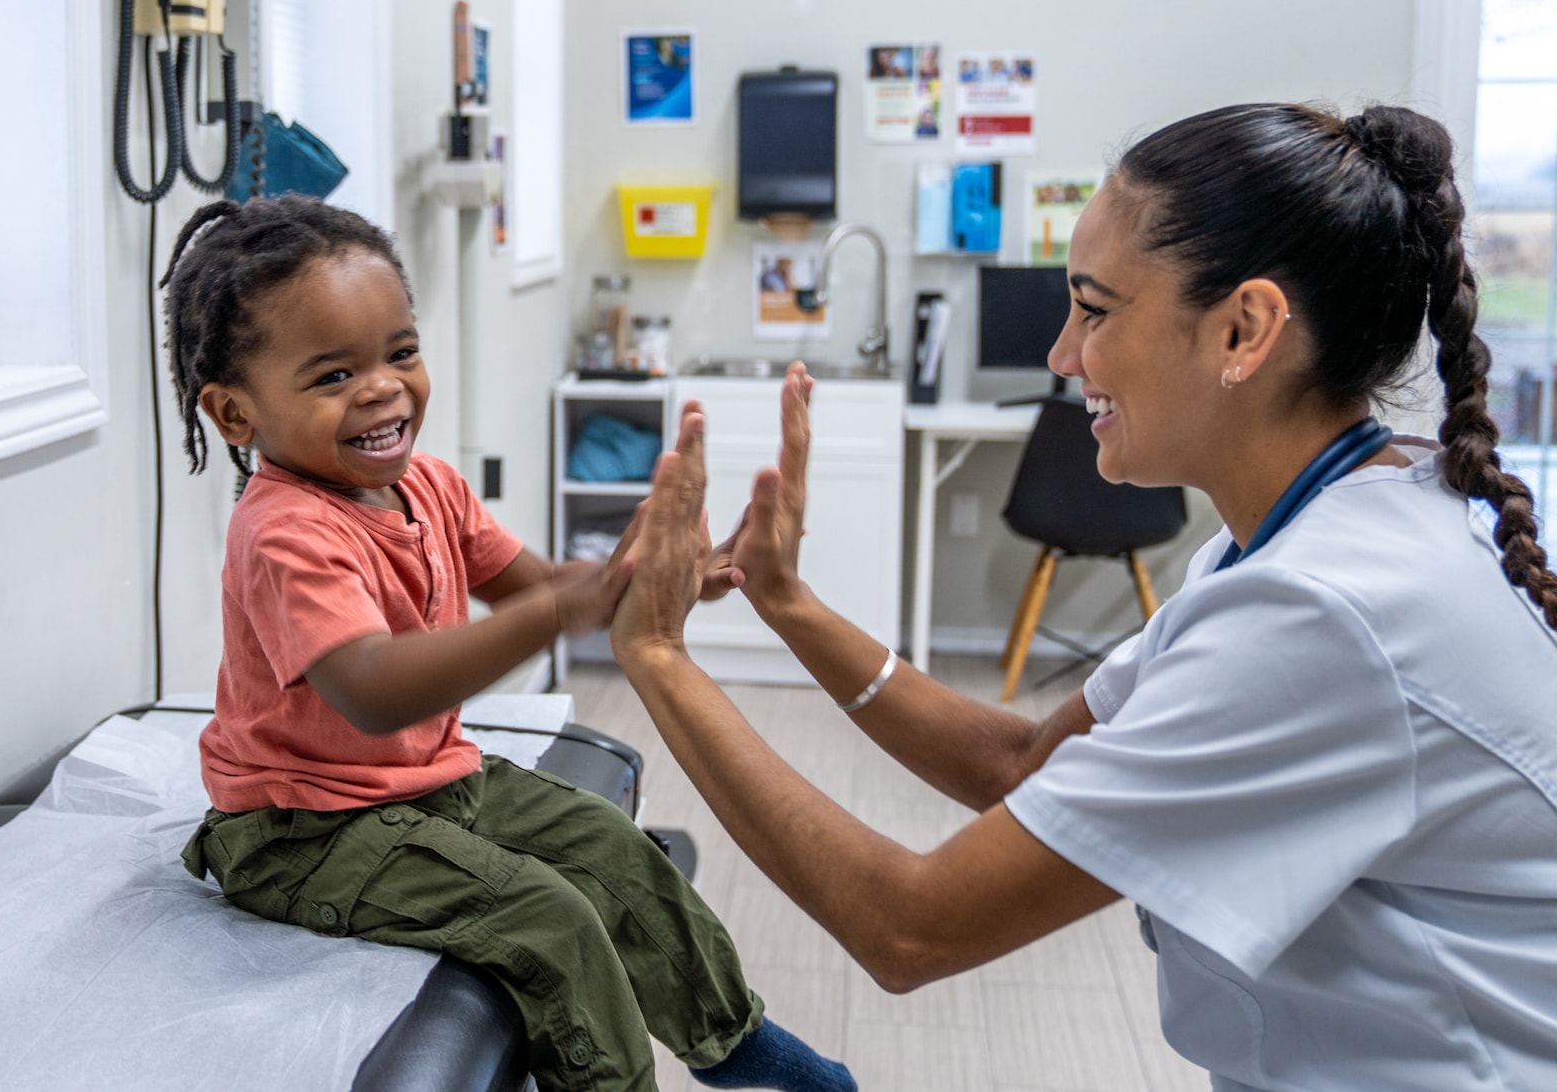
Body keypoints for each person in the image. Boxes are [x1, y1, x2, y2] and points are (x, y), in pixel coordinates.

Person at [610, 104, 1557, 1091]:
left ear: (1243, 330)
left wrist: (658, 659)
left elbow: (908, 926)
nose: (1062, 356)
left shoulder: (1326, 613)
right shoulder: (1319, 530)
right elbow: (1022, 765)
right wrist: (787, 604)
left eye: (1094, 311)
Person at [159, 194, 854, 1092]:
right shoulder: (284, 532)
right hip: (301, 830)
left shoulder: (432, 489)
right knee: (549, 918)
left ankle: (736, 1045)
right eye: (333, 376)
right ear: (234, 414)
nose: (382, 386)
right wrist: (561, 608)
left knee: (610, 847)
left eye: (400, 352)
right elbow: (372, 687)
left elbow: (539, 584)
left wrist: (671, 572)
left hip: (427, 782)